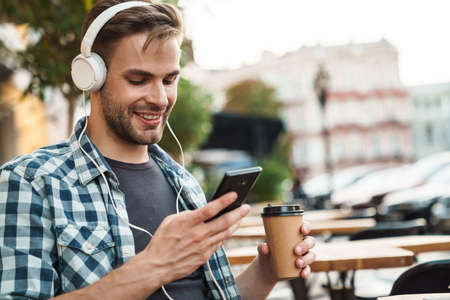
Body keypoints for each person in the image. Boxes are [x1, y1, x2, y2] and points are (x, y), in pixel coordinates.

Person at [0, 1, 316, 299]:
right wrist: (153, 267)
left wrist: (267, 271)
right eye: (139, 80)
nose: (161, 98)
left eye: (169, 79)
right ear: (91, 78)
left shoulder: (184, 185)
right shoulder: (31, 182)